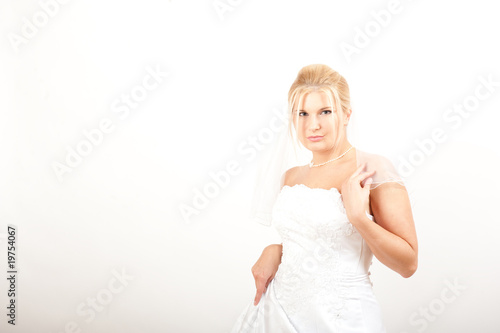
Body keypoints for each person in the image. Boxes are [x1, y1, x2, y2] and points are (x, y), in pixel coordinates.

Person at [230, 64, 418, 332]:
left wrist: (359, 219)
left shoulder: (371, 170)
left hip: (341, 318)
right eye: (302, 113)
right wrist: (276, 250)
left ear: (346, 115)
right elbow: (311, 244)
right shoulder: (291, 177)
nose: (313, 125)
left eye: (325, 112)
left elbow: (408, 264)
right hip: (276, 312)